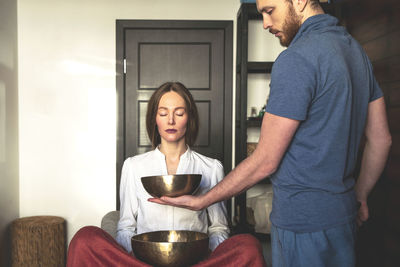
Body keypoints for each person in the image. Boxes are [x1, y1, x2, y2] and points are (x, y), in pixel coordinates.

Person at [149, 1, 392, 267]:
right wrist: (361, 195)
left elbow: (265, 160)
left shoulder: (296, 58)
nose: (265, 23)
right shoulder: (356, 52)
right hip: (343, 217)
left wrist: (202, 200)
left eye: (269, 10)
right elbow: (381, 139)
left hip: (302, 224)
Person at [67, 82, 266, 267]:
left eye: (179, 113)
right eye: (163, 113)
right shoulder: (134, 166)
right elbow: (127, 227)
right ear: (155, 118)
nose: (171, 120)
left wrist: (210, 256)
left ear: (190, 117)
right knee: (85, 238)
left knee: (248, 246)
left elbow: (219, 228)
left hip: (195, 262)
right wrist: (130, 259)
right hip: (144, 262)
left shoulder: (211, 168)